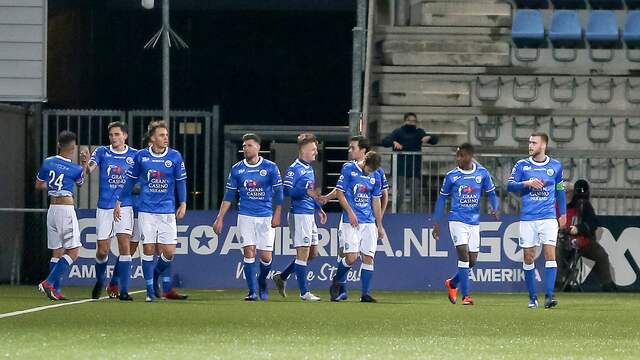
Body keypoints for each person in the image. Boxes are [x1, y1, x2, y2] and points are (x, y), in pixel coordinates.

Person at [115, 120, 188, 302]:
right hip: (147, 210)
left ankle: (155, 276)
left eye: (166, 135)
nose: (166, 138)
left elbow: (180, 182)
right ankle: (149, 290)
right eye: (162, 135)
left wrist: (184, 203)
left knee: (169, 251)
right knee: (148, 248)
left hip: (167, 210)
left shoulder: (175, 157)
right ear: (153, 138)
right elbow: (131, 181)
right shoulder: (141, 157)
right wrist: (119, 200)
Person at [213, 133, 283, 301]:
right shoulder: (238, 169)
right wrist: (219, 218)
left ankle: (262, 281)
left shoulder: (271, 167)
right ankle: (252, 291)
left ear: (258, 147)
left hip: (265, 216)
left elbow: (279, 192)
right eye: (244, 146)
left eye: (249, 145)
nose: (245, 148)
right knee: (249, 252)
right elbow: (229, 195)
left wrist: (277, 214)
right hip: (245, 215)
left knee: (266, 257)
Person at [320, 135, 389, 299]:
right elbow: (340, 192)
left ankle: (365, 294)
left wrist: (379, 224)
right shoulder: (348, 168)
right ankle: (338, 281)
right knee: (351, 257)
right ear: (364, 162)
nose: (369, 173)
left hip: (368, 222)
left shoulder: (377, 173)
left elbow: (376, 199)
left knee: (368, 257)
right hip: (350, 221)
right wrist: (350, 212)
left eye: (353, 147)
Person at [432, 143, 500, 305]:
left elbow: (491, 192)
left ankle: (452, 283)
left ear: (469, 156)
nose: (458, 158)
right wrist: (436, 222)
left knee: (472, 261)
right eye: (457, 155)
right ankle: (466, 296)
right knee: (463, 255)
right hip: (457, 220)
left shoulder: (482, 173)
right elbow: (442, 199)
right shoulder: (452, 176)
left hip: (474, 222)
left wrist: (495, 207)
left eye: (461, 155)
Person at [507, 132, 566, 309]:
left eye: (534, 143)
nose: (530, 145)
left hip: (548, 217)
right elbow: (509, 185)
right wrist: (527, 183)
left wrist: (562, 214)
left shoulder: (556, 166)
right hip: (528, 218)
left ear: (543, 145)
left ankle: (549, 295)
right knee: (528, 256)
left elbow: (560, 190)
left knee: (550, 254)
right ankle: (533, 298)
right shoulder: (522, 165)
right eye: (529, 142)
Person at [80, 121, 137, 301]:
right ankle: (100, 280)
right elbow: (89, 169)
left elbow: (140, 180)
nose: (114, 138)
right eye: (111, 135)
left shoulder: (134, 155)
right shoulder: (102, 152)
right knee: (102, 251)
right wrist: (84, 163)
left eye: (117, 134)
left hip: (125, 207)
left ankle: (124, 290)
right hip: (105, 207)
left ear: (125, 136)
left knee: (124, 247)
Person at [272, 133, 326, 301]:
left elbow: (309, 192)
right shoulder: (294, 168)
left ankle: (282, 277)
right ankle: (304, 293)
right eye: (313, 149)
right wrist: (304, 191)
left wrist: (318, 208)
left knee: (312, 254)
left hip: (309, 214)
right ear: (303, 150)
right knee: (302, 252)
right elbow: (286, 190)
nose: (315, 152)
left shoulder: (309, 168)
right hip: (299, 215)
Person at [36, 131, 85, 301]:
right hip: (65, 210)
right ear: (73, 147)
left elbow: (39, 184)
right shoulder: (75, 168)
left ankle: (55, 290)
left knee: (57, 251)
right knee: (74, 251)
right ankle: (49, 283)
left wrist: (54, 187)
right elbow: (80, 183)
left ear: (58, 144)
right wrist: (85, 164)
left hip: (52, 209)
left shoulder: (48, 162)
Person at [105, 134, 151, 298]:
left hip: (145, 210)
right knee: (125, 249)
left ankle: (113, 283)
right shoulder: (137, 161)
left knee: (130, 250)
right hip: (129, 207)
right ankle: (120, 288)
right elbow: (130, 184)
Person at [559, 179, 616, 291]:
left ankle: (607, 284)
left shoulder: (583, 205)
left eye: (569, 192)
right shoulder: (555, 206)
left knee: (601, 255)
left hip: (582, 241)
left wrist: (579, 228)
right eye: (564, 193)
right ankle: (558, 283)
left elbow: (593, 223)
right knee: (557, 252)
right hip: (561, 240)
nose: (567, 195)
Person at [381, 112, 438, 212]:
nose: (411, 123)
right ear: (404, 121)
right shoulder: (398, 132)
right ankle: (395, 213)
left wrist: (430, 138)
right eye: (409, 120)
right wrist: (393, 142)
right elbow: (384, 141)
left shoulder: (419, 132)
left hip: (414, 169)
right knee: (400, 194)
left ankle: (415, 215)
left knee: (415, 194)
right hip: (400, 168)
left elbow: (434, 140)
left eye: (413, 121)